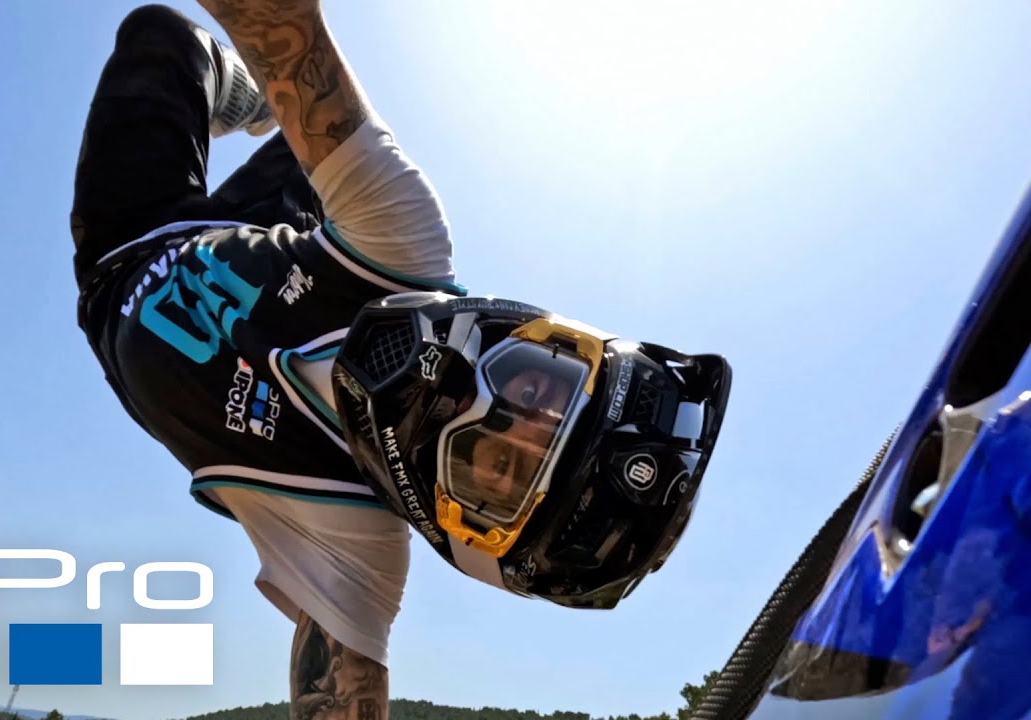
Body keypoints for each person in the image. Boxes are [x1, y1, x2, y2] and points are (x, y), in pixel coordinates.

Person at [69, 1, 733, 716]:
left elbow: (345, 694)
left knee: (160, 39)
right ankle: (264, 108)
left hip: (129, 249)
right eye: (540, 389)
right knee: (310, 136)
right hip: (272, 251)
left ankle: (278, 126)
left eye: (495, 465)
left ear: (463, 531)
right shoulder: (406, 242)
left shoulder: (358, 540)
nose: (480, 401)